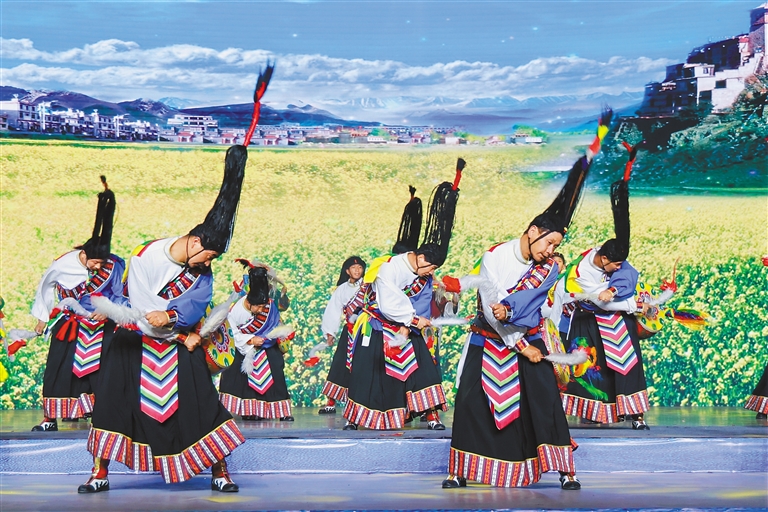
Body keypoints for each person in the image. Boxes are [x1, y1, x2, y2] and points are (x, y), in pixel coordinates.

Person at [79, 63, 274, 494]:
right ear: (193, 241)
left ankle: (220, 470)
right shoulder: (146, 256)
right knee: (113, 403)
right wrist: (163, 320)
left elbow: (195, 303)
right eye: (208, 255)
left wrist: (178, 322)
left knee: (202, 402)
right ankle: (99, 472)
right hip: (138, 340)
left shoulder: (201, 270)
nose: (209, 263)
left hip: (180, 341)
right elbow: (142, 307)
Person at [442, 109, 612, 490]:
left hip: (530, 338)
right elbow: (493, 311)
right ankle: (459, 470)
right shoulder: (495, 257)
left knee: (545, 399)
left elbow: (539, 305)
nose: (551, 251)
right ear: (533, 231)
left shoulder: (546, 267)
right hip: (492, 338)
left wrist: (538, 332)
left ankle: (565, 470)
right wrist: (521, 346)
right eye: (549, 243)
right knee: (472, 401)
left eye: (556, 246)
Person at [344, 161, 464, 431]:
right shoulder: (389, 269)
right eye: (431, 267)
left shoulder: (423, 276)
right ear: (420, 258)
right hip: (380, 325)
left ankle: (431, 415)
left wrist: (434, 308)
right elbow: (388, 303)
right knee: (367, 372)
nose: (432, 272)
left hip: (409, 325)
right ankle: (356, 418)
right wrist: (412, 320)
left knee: (424, 369)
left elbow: (427, 304)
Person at [558, 142, 651, 430]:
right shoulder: (581, 273)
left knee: (628, 367)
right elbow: (602, 303)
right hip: (589, 321)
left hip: (618, 322)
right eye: (614, 265)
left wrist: (618, 290)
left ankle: (635, 414)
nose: (619, 268)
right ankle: (594, 413)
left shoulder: (614, 257)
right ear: (604, 259)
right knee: (593, 370)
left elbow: (627, 274)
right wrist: (634, 304)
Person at [31, 176, 125, 431]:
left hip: (101, 324)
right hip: (70, 324)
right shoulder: (63, 264)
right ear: (83, 254)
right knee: (59, 369)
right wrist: (42, 317)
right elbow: (45, 287)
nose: (98, 267)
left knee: (101, 371)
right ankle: (50, 419)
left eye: (102, 264)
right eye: (94, 263)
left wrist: (109, 312)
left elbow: (120, 294)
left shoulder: (115, 265)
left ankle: (100, 418)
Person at [219, 262, 296, 421]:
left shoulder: (270, 300)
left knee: (276, 371)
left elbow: (281, 308)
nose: (261, 310)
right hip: (245, 344)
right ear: (249, 303)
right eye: (258, 307)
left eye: (263, 306)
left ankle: (282, 411)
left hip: (268, 342)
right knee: (236, 374)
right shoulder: (237, 309)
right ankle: (248, 411)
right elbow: (232, 332)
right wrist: (250, 340)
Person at [318, 256, 367, 414]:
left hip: (367, 330)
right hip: (350, 331)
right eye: (353, 268)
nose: (357, 270)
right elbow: (333, 310)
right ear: (347, 271)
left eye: (360, 267)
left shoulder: (369, 286)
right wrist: (330, 332)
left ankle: (363, 404)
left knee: (365, 366)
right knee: (340, 363)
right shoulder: (342, 289)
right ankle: (331, 401)